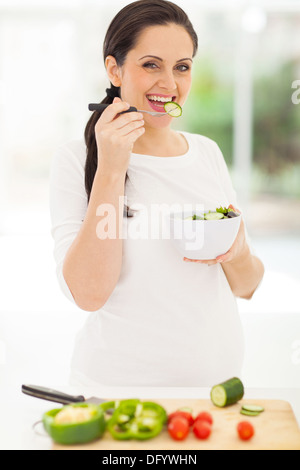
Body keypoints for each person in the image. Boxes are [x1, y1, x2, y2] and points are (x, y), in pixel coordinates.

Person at [49, 0, 264, 388]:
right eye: (151, 64)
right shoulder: (76, 159)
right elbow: (88, 293)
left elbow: (247, 285)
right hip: (116, 391)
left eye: (182, 67)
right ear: (114, 69)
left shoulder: (206, 153)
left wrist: (237, 250)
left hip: (217, 390)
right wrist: (113, 168)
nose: (170, 83)